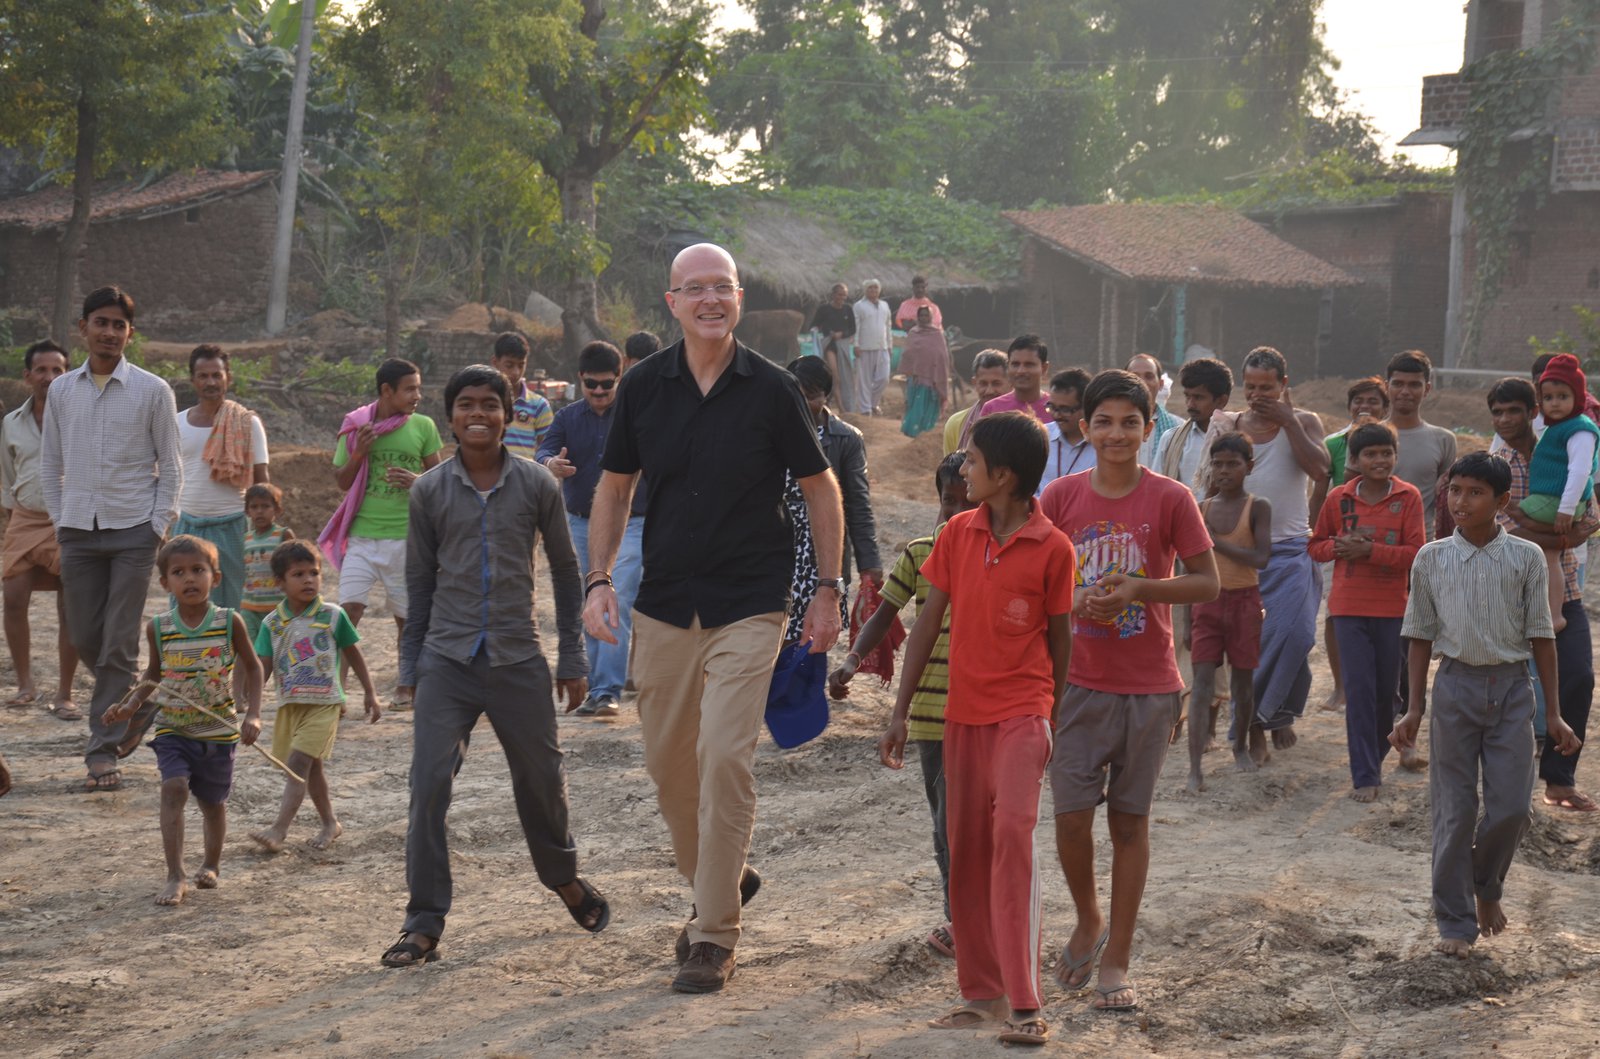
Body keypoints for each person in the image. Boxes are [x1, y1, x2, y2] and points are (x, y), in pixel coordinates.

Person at [584, 243, 843, 994]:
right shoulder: (642, 390)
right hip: (664, 601)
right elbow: (613, 488)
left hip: (750, 602)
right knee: (669, 767)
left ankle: (712, 935)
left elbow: (820, 488)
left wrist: (826, 589)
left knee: (726, 756)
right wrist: (599, 579)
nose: (709, 300)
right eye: (693, 289)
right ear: (671, 302)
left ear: (737, 298)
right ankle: (721, 879)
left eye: (721, 288)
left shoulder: (770, 388)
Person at [383, 364, 608, 969]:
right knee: (428, 784)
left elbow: (566, 571)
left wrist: (571, 655)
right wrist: (410, 666)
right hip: (447, 661)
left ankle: (564, 879)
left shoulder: (537, 485)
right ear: (450, 415)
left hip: (517, 657)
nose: (477, 414)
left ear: (508, 416)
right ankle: (423, 922)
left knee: (541, 781)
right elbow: (419, 582)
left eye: (490, 404)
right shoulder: (429, 491)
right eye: (465, 405)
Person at [881, 413, 1073, 1047]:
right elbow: (927, 625)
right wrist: (901, 712)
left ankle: (1024, 1001)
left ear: (1005, 474)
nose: (961, 469)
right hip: (962, 717)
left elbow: (1061, 641)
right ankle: (982, 995)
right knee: (966, 853)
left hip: (1024, 713)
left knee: (1013, 836)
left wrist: (1052, 714)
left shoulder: (1054, 548)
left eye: (971, 459)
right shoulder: (957, 535)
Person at [1040, 369, 1218, 1013]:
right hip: (1076, 686)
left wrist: (1141, 588)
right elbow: (1035, 579)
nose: (1117, 433)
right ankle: (1088, 918)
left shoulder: (1171, 498)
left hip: (1149, 688)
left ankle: (1117, 954)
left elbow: (1206, 584)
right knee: (1068, 818)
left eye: (1131, 422)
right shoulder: (1059, 497)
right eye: (1105, 421)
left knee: (1129, 823)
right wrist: (1076, 596)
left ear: (1149, 428)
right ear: (1085, 427)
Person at [1391, 452, 1580, 959]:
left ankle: (1487, 887)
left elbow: (1542, 636)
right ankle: (1454, 921)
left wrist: (1554, 712)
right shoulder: (1430, 558)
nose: (1461, 501)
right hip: (1455, 689)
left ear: (1501, 502)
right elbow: (1419, 636)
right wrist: (1414, 708)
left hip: (1514, 691)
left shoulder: (1525, 558)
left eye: (1475, 493)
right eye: (1455, 490)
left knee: (1512, 808)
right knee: (1454, 811)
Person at [832, 452, 974, 957]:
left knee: (983, 819)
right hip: (934, 715)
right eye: (947, 501)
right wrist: (851, 661)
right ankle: (960, 916)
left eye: (967, 500)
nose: (956, 511)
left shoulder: (998, 552)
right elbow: (885, 615)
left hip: (990, 711)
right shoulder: (921, 552)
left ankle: (980, 915)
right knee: (945, 821)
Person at [42, 286, 183, 793]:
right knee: (84, 637)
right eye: (100, 322)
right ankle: (140, 702)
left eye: (118, 325)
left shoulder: (153, 390)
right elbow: (51, 463)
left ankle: (102, 750)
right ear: (83, 328)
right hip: (78, 528)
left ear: (130, 333)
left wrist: (156, 524)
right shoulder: (61, 390)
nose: (109, 332)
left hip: (132, 531)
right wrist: (60, 523)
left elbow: (171, 465)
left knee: (119, 642)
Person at [103, 536, 263, 905]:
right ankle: (175, 875)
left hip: (219, 730)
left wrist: (253, 712)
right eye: (179, 572)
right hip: (173, 728)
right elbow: (153, 675)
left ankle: (211, 864)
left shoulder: (229, 622)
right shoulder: (159, 627)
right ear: (165, 583)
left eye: (198, 570)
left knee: (212, 803)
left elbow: (253, 668)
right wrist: (130, 707)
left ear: (216, 578)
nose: (189, 579)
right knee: (173, 788)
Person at [1200, 347, 1329, 750]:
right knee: (1249, 643)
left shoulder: (1304, 421)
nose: (1258, 395)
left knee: (1295, 635)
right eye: (1251, 386)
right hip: (1238, 553)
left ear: (1283, 385)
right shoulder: (1228, 425)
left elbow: (1321, 470)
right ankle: (1258, 723)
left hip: (1290, 549)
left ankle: (1269, 713)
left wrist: (1288, 420)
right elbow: (1208, 483)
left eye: (1267, 388)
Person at [1487, 376, 1598, 812]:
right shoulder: (1498, 463)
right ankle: (1504, 787)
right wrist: (1566, 537)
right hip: (1513, 594)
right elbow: (1509, 532)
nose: (1506, 419)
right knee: (1510, 690)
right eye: (1498, 412)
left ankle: (1558, 780)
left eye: (1515, 410)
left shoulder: (1565, 445)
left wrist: (1570, 533)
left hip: (1566, 587)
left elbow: (1591, 511)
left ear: (1535, 410)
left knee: (1579, 678)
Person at [1308, 422, 1424, 802]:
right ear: (1355, 460)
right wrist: (1339, 548)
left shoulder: (1408, 498)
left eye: (1386, 453)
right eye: (1370, 454)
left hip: (1392, 608)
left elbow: (1415, 554)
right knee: (1358, 690)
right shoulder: (1339, 499)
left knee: (1387, 694)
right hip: (1347, 607)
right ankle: (1366, 774)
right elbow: (1316, 545)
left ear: (1395, 455)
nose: (1379, 460)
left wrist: (1369, 551)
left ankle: (1372, 756)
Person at [321, 358, 443, 708]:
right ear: (387, 391)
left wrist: (417, 482)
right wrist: (359, 453)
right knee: (348, 613)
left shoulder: (423, 426)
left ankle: (405, 688)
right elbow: (343, 481)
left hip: (407, 538)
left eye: (418, 388)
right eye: (410, 389)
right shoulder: (356, 427)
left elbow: (439, 479)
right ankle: (335, 693)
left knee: (406, 618)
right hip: (361, 536)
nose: (417, 395)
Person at [536, 341, 645, 719]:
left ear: (620, 378)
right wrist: (552, 463)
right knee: (590, 601)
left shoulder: (636, 414)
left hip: (631, 524)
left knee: (617, 598)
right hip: (581, 522)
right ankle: (597, 686)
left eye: (606, 385)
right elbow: (543, 451)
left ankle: (605, 690)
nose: (599, 392)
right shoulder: (567, 417)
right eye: (591, 385)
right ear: (580, 380)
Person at [249, 540, 378, 852]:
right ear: (279, 582)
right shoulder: (272, 624)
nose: (309, 580)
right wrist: (249, 708)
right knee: (312, 767)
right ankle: (330, 822)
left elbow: (354, 653)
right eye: (298, 574)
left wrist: (370, 694)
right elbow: (261, 668)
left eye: (314, 572)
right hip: (290, 705)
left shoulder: (333, 616)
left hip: (325, 704)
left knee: (298, 762)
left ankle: (279, 830)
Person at [1186, 432, 1270, 792]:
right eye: (1217, 464)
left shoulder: (1258, 506)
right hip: (1206, 602)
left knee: (1243, 684)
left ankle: (1239, 747)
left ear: (1248, 467)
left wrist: (1215, 541)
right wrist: (1187, 619)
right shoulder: (1200, 509)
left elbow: (1261, 558)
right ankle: (1194, 769)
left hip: (1244, 602)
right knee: (1201, 685)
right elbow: (1187, 565)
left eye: (1233, 464)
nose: (1224, 471)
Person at [1, 340, 79, 719]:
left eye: (57, 370)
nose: (49, 377)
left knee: (71, 606)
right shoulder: (11, 423)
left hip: (68, 520)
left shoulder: (80, 418)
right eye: (42, 370)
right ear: (27, 375)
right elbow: (7, 479)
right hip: (24, 518)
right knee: (13, 598)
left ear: (68, 375)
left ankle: (65, 693)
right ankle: (25, 684)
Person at [172, 345, 270, 608]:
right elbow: (168, 476)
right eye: (203, 376)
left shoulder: (247, 423)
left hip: (235, 527)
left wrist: (265, 530)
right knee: (186, 605)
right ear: (192, 380)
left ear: (229, 377)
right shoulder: (177, 423)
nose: (210, 382)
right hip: (187, 527)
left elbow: (262, 481)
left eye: (217, 375)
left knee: (238, 606)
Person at [1318, 376, 1390, 713]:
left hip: (1384, 534)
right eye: (1358, 401)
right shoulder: (1333, 443)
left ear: (1384, 407)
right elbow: (1331, 487)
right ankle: (1340, 685)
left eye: (1373, 401)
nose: (1365, 407)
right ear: (1348, 406)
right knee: (1336, 613)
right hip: (1343, 534)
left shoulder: (1388, 444)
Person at [1516, 354, 1598, 634]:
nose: (1555, 403)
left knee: (1510, 514)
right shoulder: (1558, 427)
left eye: (1563, 396)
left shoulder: (1581, 430)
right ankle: (1554, 614)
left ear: (1578, 397)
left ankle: (1554, 613)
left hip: (1558, 503)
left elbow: (1579, 472)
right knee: (1550, 556)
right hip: (1555, 501)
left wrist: (1565, 509)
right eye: (1548, 397)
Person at [788, 357, 882, 589]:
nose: (802, 404)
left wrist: (869, 564)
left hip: (823, 556)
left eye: (811, 396)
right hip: (775, 555)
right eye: (796, 396)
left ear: (826, 395)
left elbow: (858, 505)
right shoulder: (770, 432)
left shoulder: (847, 439)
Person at [1384, 349, 1457, 539]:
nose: (1405, 392)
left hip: (1421, 546)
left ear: (1427, 389)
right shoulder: (1365, 436)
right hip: (1372, 546)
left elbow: (1446, 499)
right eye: (1398, 384)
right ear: (1387, 387)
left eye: (1414, 385)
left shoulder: (1444, 440)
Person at [1156, 357, 1231, 495]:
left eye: (1198, 397)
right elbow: (1157, 490)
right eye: (1187, 396)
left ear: (1221, 401)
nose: (1190, 404)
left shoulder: (1238, 439)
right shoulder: (1171, 440)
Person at [239, 483, 294, 643]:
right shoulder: (246, 539)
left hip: (277, 607)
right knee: (252, 651)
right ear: (247, 511)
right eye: (254, 507)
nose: (259, 511)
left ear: (277, 510)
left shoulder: (283, 535)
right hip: (249, 607)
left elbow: (295, 566)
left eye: (265, 506)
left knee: (278, 650)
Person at [490, 331, 554, 461]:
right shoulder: (484, 402)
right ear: (495, 362)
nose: (515, 372)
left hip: (525, 479)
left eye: (521, 365)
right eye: (509, 365)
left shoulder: (539, 405)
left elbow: (548, 448)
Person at [1038, 368, 1094, 494]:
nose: (1057, 415)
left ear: (1086, 407)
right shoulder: (1040, 437)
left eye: (1065, 409)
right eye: (1052, 407)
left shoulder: (1101, 444)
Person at [944, 350, 1008, 455]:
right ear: (974, 383)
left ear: (1010, 383)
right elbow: (950, 469)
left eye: (996, 384)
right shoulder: (956, 424)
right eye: (983, 383)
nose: (989, 391)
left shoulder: (1023, 422)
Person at [899, 306, 949, 438]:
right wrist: (912, 369)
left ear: (931, 317)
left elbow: (942, 356)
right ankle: (912, 433)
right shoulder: (913, 332)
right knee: (915, 406)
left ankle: (925, 435)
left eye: (926, 315)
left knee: (928, 407)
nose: (923, 318)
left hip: (931, 379)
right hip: (915, 379)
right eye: (921, 315)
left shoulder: (937, 334)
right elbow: (907, 354)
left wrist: (936, 374)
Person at [978, 335, 1050, 425]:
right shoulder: (991, 409)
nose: (1021, 371)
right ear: (1008, 366)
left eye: (1029, 364)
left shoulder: (1057, 410)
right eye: (1015, 364)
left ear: (1044, 368)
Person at [808, 284, 858, 413]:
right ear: (833, 294)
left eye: (844, 295)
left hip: (843, 345)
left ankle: (844, 405)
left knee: (846, 376)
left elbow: (853, 328)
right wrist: (819, 334)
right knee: (836, 376)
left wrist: (842, 334)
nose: (841, 297)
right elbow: (814, 325)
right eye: (839, 294)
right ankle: (841, 407)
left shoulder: (848, 309)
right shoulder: (824, 309)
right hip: (829, 344)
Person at [1128, 353, 1180, 467]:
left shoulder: (1178, 429)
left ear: (1160, 384)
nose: (1142, 382)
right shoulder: (1110, 428)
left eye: (1149, 376)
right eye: (1134, 376)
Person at [852, 279, 894, 415]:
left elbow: (888, 326)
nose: (873, 291)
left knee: (884, 378)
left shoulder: (884, 305)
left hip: (882, 346)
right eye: (870, 288)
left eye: (876, 288)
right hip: (864, 347)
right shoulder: (859, 306)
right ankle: (865, 409)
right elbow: (856, 327)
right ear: (865, 290)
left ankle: (873, 403)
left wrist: (890, 345)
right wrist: (856, 344)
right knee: (864, 379)